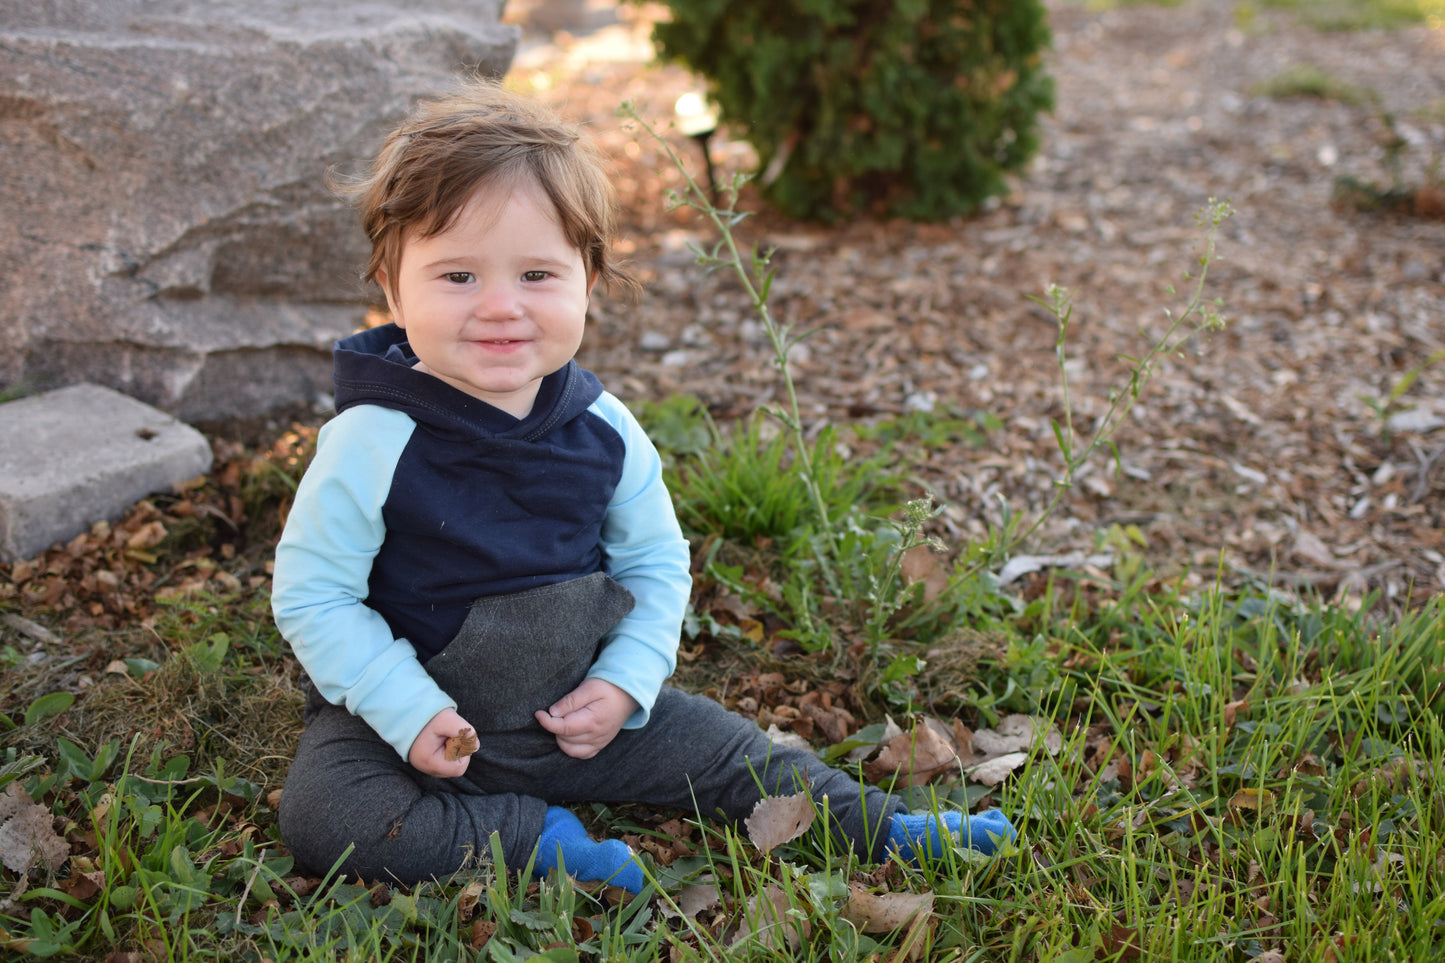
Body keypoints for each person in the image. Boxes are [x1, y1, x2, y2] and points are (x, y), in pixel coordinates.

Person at [270, 80, 1016, 893]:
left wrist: (624, 680)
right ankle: (528, 839)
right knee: (325, 814)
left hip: (572, 713)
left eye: (535, 274)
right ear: (390, 284)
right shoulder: (369, 440)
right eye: (456, 276)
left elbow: (655, 562)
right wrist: (406, 711)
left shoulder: (604, 427)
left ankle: (882, 827)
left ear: (587, 279)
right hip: (411, 724)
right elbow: (316, 597)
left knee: (732, 751)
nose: (499, 307)